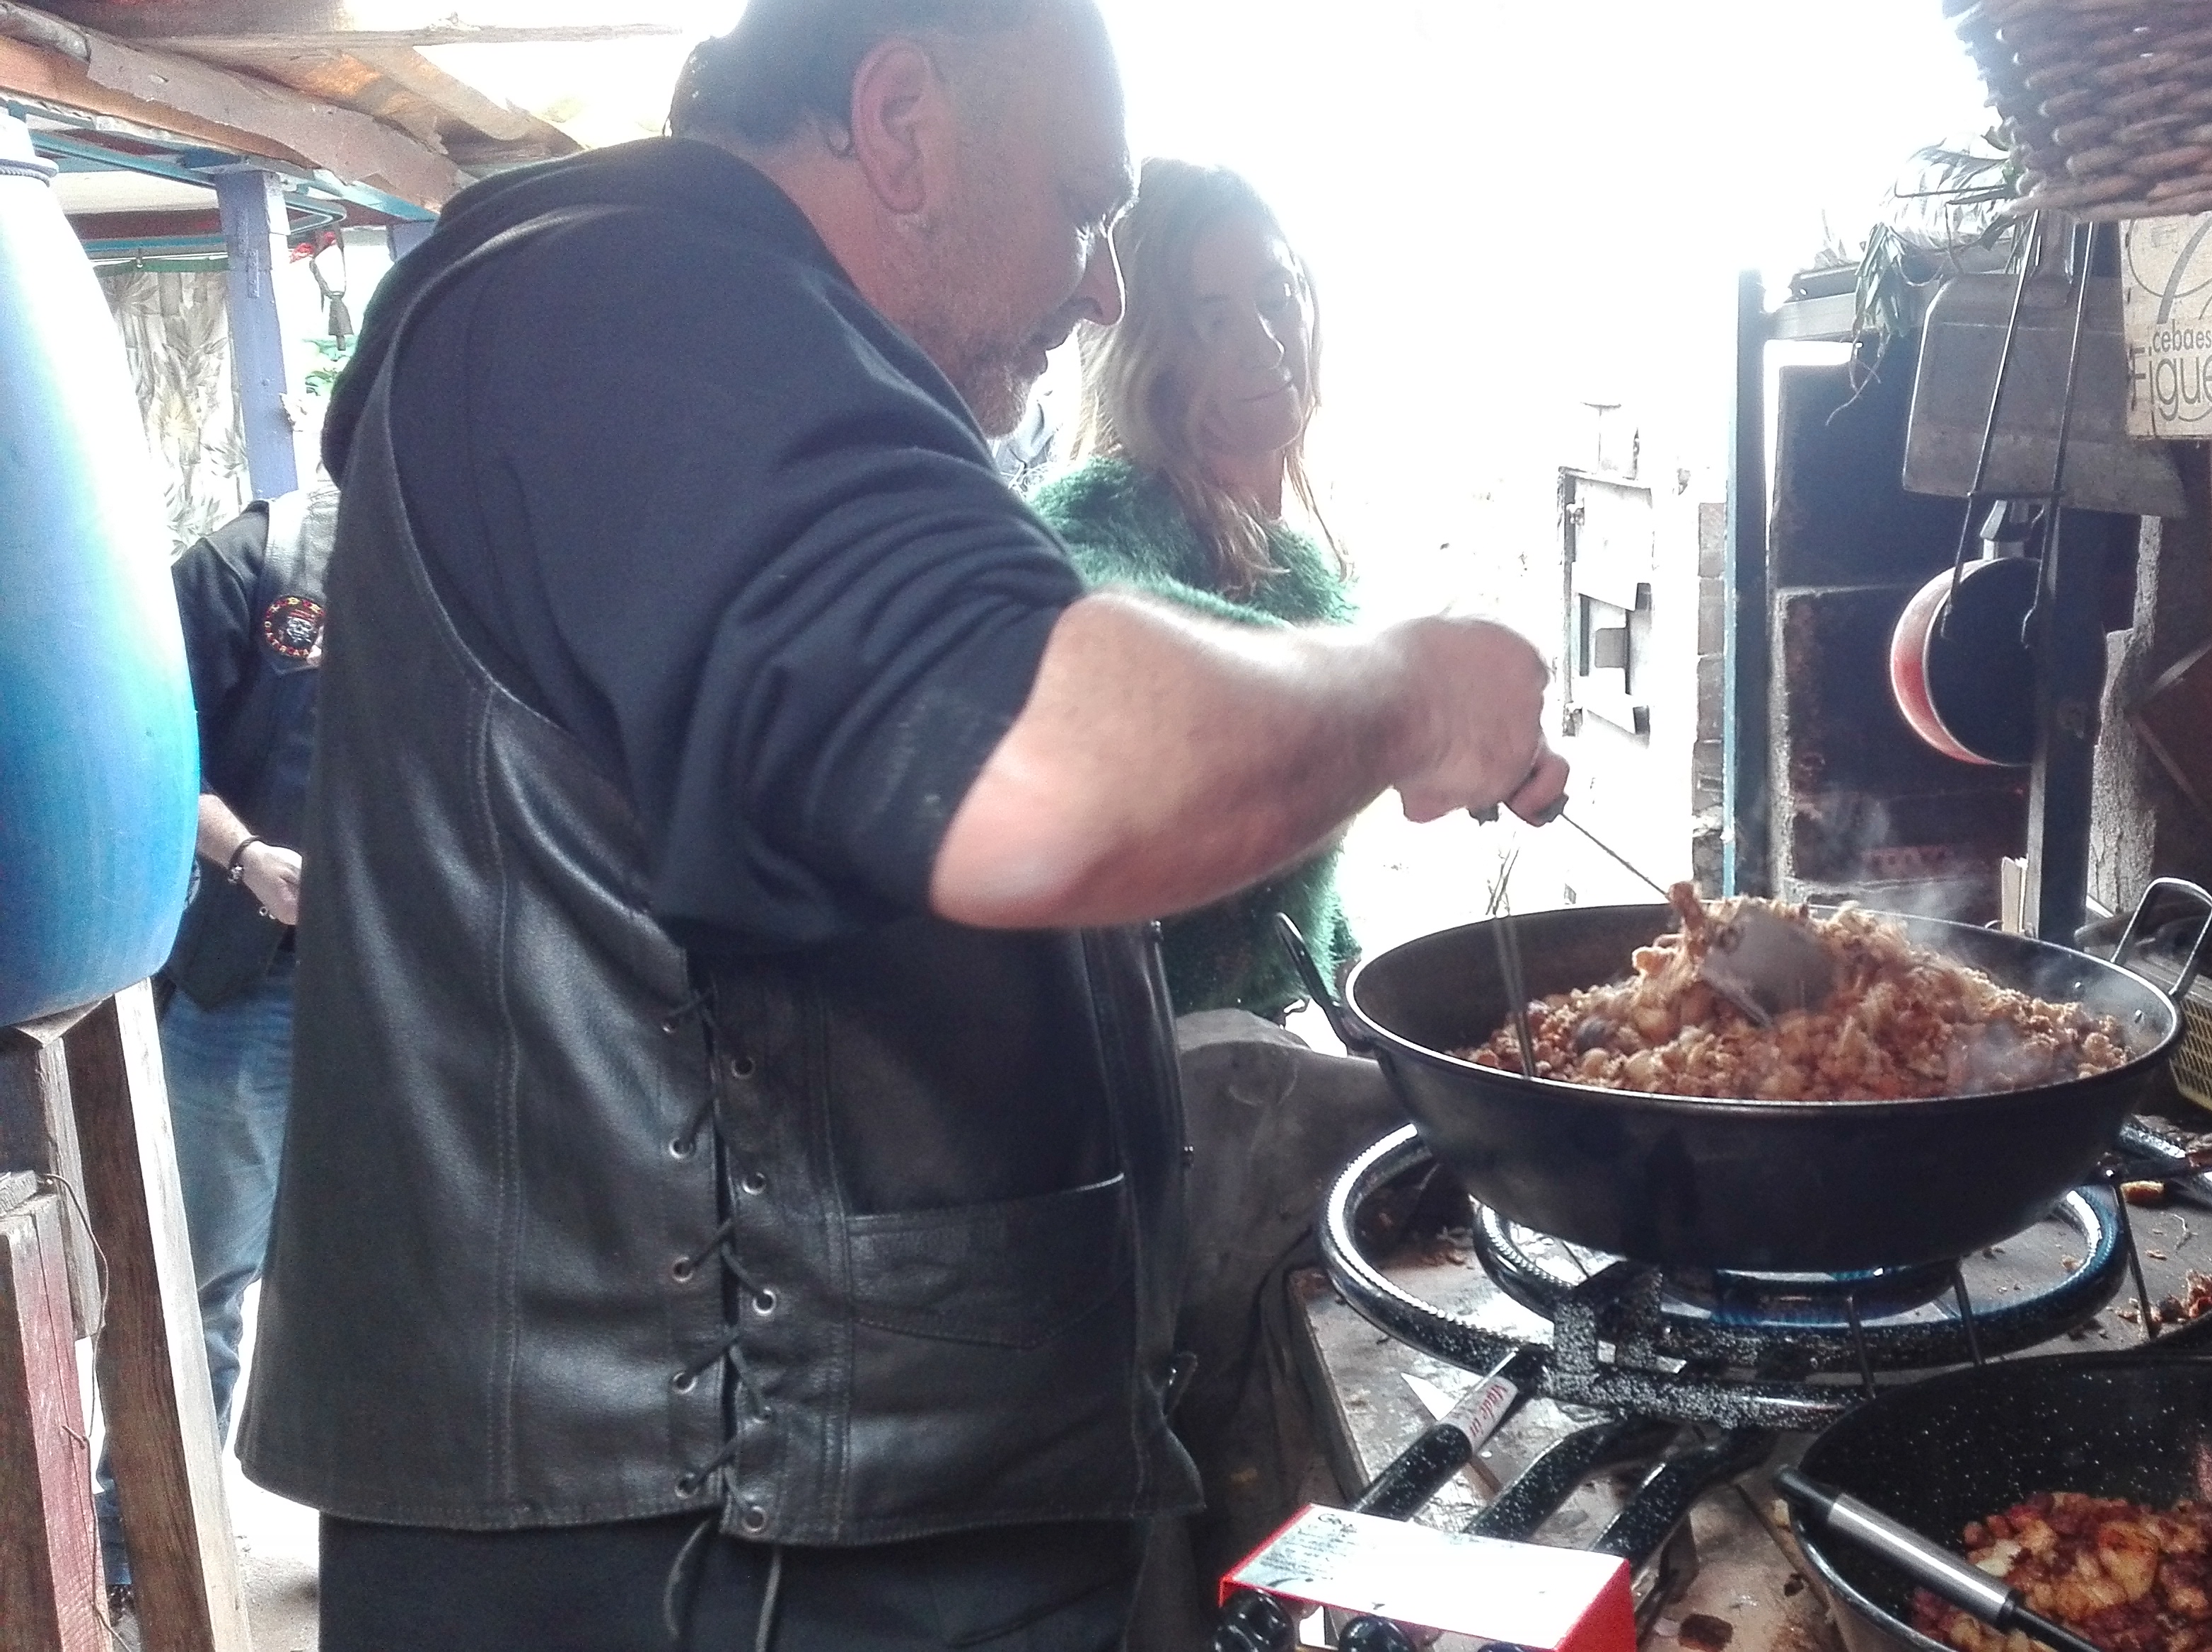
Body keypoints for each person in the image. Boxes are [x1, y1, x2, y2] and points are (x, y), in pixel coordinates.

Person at [231, 4, 1565, 1651]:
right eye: (1083, 207)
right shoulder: (637, 308)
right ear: (901, 122)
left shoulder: (717, 342)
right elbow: (1034, 770)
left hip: (804, 1522)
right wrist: (1411, 688)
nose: (1103, 287)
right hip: (718, 1559)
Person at [1033, 158, 1350, 1020]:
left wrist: (1355, 983)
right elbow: (1070, 613)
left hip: (1258, 1045)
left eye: (1275, 297)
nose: (1264, 342)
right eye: (1212, 322)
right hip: (1140, 1062)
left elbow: (1286, 884)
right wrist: (1386, 691)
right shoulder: (1116, 505)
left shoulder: (1294, 563)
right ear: (1150, 357)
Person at [93, 486, 335, 1609]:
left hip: (412, 993)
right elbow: (140, 741)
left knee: (392, 1278)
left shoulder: (476, 559)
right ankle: (142, 1542)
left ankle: (382, 1541)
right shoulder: (255, 560)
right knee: (200, 1278)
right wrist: (246, 857)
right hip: (255, 984)